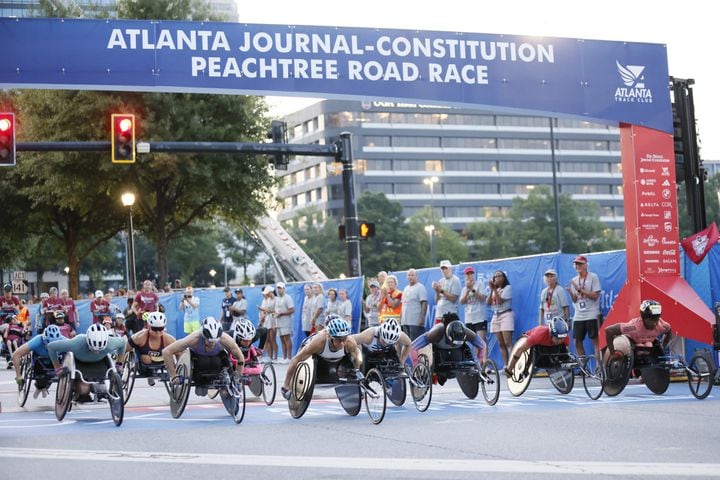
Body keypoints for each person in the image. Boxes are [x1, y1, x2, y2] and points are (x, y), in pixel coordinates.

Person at [280, 316, 363, 400]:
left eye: (344, 339)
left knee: (357, 352)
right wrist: (286, 385)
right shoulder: (318, 342)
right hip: (316, 354)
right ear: (330, 337)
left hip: (335, 361)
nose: (342, 343)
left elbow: (357, 357)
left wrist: (357, 373)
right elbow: (296, 359)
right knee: (301, 357)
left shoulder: (350, 342)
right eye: (339, 340)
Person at [162, 316, 244, 397]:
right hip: (198, 362)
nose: (212, 344)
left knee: (221, 359)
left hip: (217, 361)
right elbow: (166, 352)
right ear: (203, 336)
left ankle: (225, 387)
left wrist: (237, 377)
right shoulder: (194, 338)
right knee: (201, 388)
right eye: (209, 341)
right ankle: (201, 382)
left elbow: (241, 359)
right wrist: (173, 375)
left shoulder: (225, 339)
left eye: (215, 341)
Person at [47, 324, 127, 403]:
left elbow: (123, 342)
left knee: (104, 387)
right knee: (84, 390)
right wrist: (57, 367)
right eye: (93, 349)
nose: (96, 352)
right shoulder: (76, 343)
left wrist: (119, 364)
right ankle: (79, 392)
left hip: (99, 362)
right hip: (79, 363)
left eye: (99, 349)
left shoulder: (111, 342)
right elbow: (51, 347)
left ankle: (99, 389)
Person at [409, 313, 487, 386]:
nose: (453, 344)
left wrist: (478, 363)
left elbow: (482, 346)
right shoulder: (436, 332)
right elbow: (412, 348)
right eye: (452, 341)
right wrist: (417, 367)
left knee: (467, 350)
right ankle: (440, 376)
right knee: (440, 374)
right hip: (439, 355)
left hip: (458, 353)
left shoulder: (466, 332)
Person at [604, 299, 673, 360]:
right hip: (632, 347)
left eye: (656, 320)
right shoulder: (634, 327)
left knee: (649, 345)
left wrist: (663, 345)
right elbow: (609, 330)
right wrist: (613, 353)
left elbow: (669, 332)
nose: (654, 324)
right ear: (643, 318)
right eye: (650, 320)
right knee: (640, 346)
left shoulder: (662, 326)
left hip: (648, 347)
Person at [12, 324, 66, 399]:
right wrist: (18, 375)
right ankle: (40, 386)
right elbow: (16, 355)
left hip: (56, 363)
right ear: (44, 339)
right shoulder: (38, 340)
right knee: (42, 378)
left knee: (50, 376)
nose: (51, 347)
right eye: (49, 344)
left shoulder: (64, 341)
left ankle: (42, 386)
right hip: (39, 363)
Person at [505, 316, 570, 376]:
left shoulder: (565, 336)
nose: (560, 340)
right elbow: (520, 350)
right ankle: (532, 366)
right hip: (536, 345)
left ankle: (552, 364)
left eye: (562, 338)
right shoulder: (538, 335)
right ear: (551, 334)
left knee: (563, 349)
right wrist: (509, 369)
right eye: (557, 338)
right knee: (537, 351)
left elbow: (565, 351)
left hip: (550, 347)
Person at [126, 311, 176, 386]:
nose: (158, 332)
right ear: (149, 327)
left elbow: (180, 353)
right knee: (146, 358)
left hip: (162, 361)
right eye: (155, 329)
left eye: (161, 329)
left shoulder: (169, 339)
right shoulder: (139, 337)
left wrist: (177, 372)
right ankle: (150, 374)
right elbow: (125, 349)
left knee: (171, 355)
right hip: (143, 365)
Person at [566, 255, 602, 357]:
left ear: (586, 265)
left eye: (580, 264)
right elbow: (575, 299)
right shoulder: (574, 280)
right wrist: (570, 293)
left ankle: (599, 368)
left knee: (595, 341)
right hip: (578, 315)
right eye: (576, 264)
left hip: (592, 314)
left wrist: (579, 289)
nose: (577, 266)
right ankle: (583, 369)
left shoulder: (593, 277)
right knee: (577, 341)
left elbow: (595, 296)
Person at [460, 266, 488, 360]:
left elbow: (482, 298)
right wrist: (468, 290)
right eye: (467, 274)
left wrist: (473, 289)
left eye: (471, 273)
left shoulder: (480, 284)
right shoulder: (464, 288)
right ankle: (476, 362)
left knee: (481, 341)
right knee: (472, 342)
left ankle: (484, 363)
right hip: (469, 317)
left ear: (474, 274)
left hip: (479, 316)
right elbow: (462, 301)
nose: (469, 275)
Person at [487, 270, 514, 367]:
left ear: (504, 278)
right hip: (496, 315)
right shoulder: (495, 290)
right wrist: (491, 290)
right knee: (501, 344)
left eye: (499, 276)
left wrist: (494, 289)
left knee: (508, 343)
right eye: (495, 277)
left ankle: (513, 365)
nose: (497, 278)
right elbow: (488, 302)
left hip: (505, 314)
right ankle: (506, 366)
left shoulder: (508, 288)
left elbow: (500, 301)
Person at [401, 269, 428, 340]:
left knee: (414, 344)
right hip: (405, 321)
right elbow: (403, 304)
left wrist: (422, 318)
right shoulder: (406, 288)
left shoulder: (420, 287)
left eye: (412, 275)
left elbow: (424, 303)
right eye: (409, 275)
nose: (410, 277)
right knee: (407, 343)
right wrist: (401, 319)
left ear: (416, 277)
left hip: (415, 322)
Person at [274, 282, 295, 364]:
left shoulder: (287, 297)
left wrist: (281, 314)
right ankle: (284, 357)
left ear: (284, 289)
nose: (279, 290)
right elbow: (276, 312)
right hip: (278, 322)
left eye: (280, 288)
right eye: (278, 288)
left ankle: (289, 358)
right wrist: (274, 315)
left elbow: (292, 309)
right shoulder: (278, 299)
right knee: (282, 339)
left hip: (286, 322)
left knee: (287, 339)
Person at [258, 286, 277, 361]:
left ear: (270, 292)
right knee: (268, 339)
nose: (266, 294)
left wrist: (264, 310)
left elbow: (275, 311)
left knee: (273, 339)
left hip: (274, 320)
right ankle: (270, 357)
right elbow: (267, 310)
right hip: (268, 320)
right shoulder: (268, 299)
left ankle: (275, 357)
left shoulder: (276, 299)